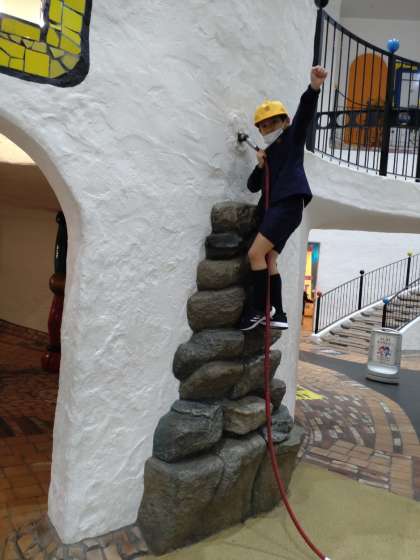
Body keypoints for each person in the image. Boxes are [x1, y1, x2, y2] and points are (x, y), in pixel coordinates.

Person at [239, 66, 328, 331]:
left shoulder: (292, 138)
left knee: (255, 253)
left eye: (273, 123)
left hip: (287, 204)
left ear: (285, 122)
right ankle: (278, 314)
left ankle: (259, 310)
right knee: (268, 260)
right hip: (285, 209)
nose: (268, 128)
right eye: (263, 126)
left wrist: (313, 87)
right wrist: (260, 165)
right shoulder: (268, 154)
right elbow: (253, 186)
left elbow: (304, 114)